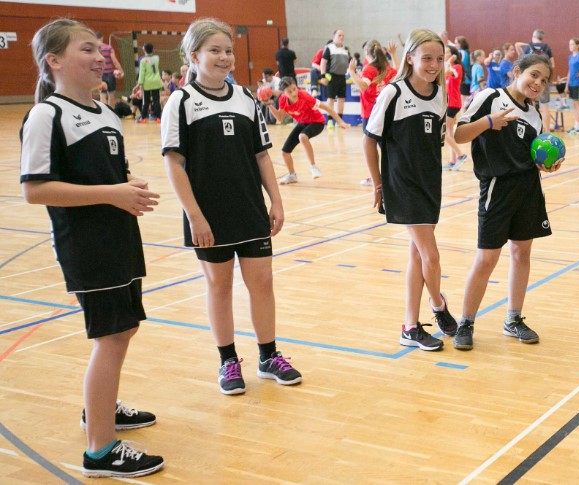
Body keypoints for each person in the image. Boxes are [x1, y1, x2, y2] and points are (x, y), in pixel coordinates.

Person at [22, 18, 164, 478]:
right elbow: (36, 189)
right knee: (111, 335)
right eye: (86, 49)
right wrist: (112, 193)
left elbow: (108, 175)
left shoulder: (106, 113)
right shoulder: (47, 115)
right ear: (54, 60)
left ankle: (101, 408)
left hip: (119, 235)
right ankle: (100, 451)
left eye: (99, 49)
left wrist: (128, 185)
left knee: (124, 328)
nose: (100, 56)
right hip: (87, 245)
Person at [162, 17, 302, 395]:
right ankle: (227, 360)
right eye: (215, 50)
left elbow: (262, 155)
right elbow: (174, 164)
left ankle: (268, 356)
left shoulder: (246, 98)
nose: (224, 57)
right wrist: (195, 216)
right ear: (194, 56)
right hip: (208, 215)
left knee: (263, 283)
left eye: (228, 50)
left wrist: (276, 201)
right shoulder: (181, 102)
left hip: (249, 209)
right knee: (219, 287)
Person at [451, 53, 563, 350]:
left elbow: (531, 155)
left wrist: (545, 165)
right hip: (496, 189)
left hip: (528, 190)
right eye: (534, 75)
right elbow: (459, 135)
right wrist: (489, 122)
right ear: (517, 71)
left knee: (521, 254)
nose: (538, 83)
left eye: (544, 80)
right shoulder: (490, 97)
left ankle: (513, 319)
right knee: (487, 259)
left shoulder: (535, 115)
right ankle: (466, 322)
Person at [363, 28, 459, 351]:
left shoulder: (440, 95)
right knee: (431, 255)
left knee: (417, 255)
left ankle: (410, 326)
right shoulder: (393, 93)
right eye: (427, 58)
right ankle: (438, 305)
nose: (434, 65)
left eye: (439, 59)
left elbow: (435, 141)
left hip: (430, 182)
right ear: (409, 58)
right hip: (401, 185)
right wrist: (377, 183)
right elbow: (369, 139)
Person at [266, 76, 344, 184]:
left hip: (317, 122)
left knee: (302, 136)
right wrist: (269, 105)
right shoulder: (283, 100)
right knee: (285, 152)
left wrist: (340, 121)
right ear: (283, 93)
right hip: (303, 123)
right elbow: (280, 117)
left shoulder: (305, 97)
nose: (293, 93)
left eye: (294, 89)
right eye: (289, 92)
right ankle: (292, 175)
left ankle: (313, 167)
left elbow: (326, 108)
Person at [351, 39, 396, 185]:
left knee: (370, 146)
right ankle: (392, 175)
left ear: (367, 53)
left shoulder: (370, 69)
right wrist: (393, 55)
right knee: (385, 147)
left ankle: (376, 178)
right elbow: (398, 73)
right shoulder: (386, 67)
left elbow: (363, 86)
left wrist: (351, 72)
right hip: (385, 112)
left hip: (370, 113)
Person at [515, 29, 555, 129]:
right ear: (542, 38)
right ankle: (546, 131)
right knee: (545, 107)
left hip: (530, 81)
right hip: (543, 81)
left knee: (530, 105)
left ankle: (531, 129)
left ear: (533, 36)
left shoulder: (529, 46)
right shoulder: (547, 47)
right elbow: (552, 65)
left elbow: (520, 54)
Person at [320, 30, 351, 128]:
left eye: (343, 35)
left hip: (342, 77)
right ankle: (329, 121)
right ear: (334, 37)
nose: (342, 37)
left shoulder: (346, 50)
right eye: (339, 35)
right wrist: (323, 76)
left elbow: (350, 64)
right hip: (332, 77)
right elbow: (323, 62)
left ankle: (339, 121)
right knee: (331, 99)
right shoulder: (329, 48)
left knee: (341, 99)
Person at [444, 46, 468, 170]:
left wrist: (449, 62)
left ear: (453, 55)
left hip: (453, 103)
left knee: (442, 132)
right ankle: (452, 161)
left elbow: (451, 73)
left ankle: (461, 155)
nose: (445, 53)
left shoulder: (457, 67)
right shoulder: (448, 68)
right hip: (448, 103)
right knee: (449, 132)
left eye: (447, 52)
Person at [95, 31, 123, 108]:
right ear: (102, 38)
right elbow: (115, 61)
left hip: (100, 74)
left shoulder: (94, 49)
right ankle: (111, 112)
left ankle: (104, 112)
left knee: (102, 95)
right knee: (111, 95)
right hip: (110, 74)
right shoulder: (108, 47)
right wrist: (121, 70)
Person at [136, 42, 161, 123]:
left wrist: (140, 83)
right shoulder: (157, 58)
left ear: (144, 50)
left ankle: (143, 118)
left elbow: (141, 73)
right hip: (156, 81)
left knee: (146, 101)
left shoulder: (143, 60)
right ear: (153, 49)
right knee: (156, 101)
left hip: (147, 83)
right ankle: (159, 117)